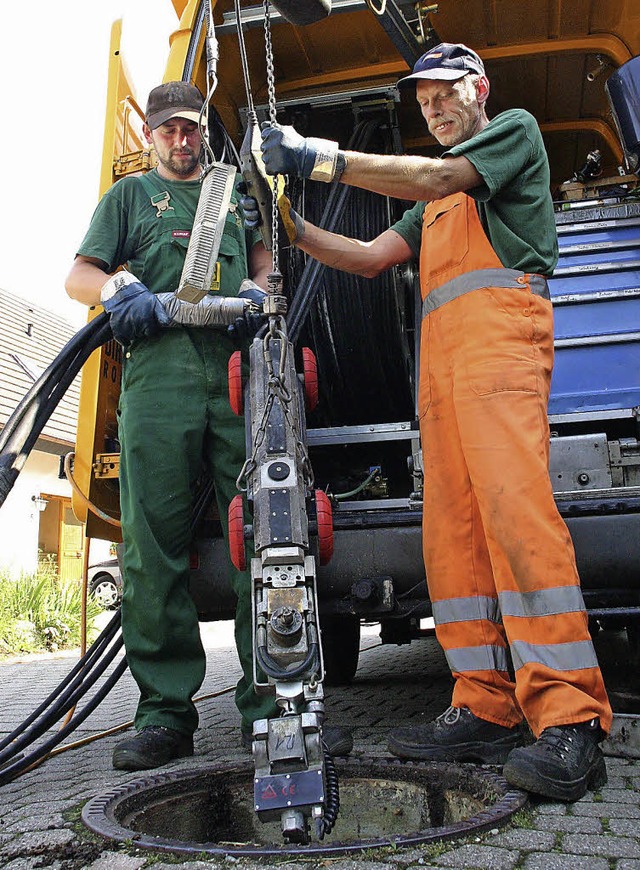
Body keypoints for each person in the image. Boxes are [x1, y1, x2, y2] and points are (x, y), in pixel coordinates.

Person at [249, 43, 613, 802]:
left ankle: (571, 716)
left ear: (477, 89)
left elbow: (445, 171)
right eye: (423, 102)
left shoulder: (508, 134)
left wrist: (318, 157)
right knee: (453, 534)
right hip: (444, 372)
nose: (435, 109)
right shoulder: (433, 205)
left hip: (501, 349)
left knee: (519, 520)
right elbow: (373, 255)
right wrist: (292, 224)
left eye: (445, 94)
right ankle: (483, 700)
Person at [65, 81, 351, 770]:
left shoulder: (233, 197)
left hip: (236, 380)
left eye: (190, 128)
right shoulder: (127, 200)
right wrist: (116, 290)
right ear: (152, 136)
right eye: (167, 131)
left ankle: (278, 705)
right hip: (157, 381)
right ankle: (165, 715)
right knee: (152, 550)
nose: (180, 140)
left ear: (202, 130)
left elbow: (262, 274)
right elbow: (79, 273)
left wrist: (259, 294)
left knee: (266, 531)